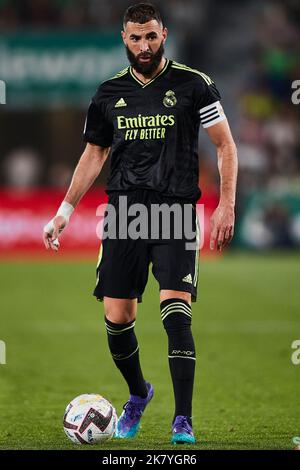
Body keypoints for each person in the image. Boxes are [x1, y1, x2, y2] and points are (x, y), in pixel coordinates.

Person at [43, 3, 237, 445]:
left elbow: (225, 145)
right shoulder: (108, 93)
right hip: (126, 215)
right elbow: (94, 155)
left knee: (176, 314)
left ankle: (182, 420)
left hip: (175, 212)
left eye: (151, 36)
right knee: (117, 318)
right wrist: (64, 211)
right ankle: (138, 393)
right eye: (136, 37)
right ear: (124, 39)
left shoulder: (194, 85)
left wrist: (225, 204)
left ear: (164, 34)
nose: (145, 46)